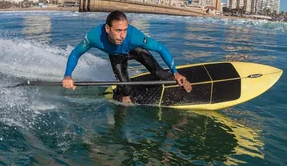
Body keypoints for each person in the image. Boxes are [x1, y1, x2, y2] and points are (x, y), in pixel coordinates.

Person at [62, 10, 192, 102]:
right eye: (118, 30)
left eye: (125, 29)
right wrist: (68, 75)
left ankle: (180, 81)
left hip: (135, 49)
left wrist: (175, 72)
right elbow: (75, 53)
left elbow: (161, 48)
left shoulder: (135, 37)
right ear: (107, 29)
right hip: (116, 55)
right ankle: (122, 93)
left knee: (160, 74)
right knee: (126, 90)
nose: (123, 35)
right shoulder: (94, 37)